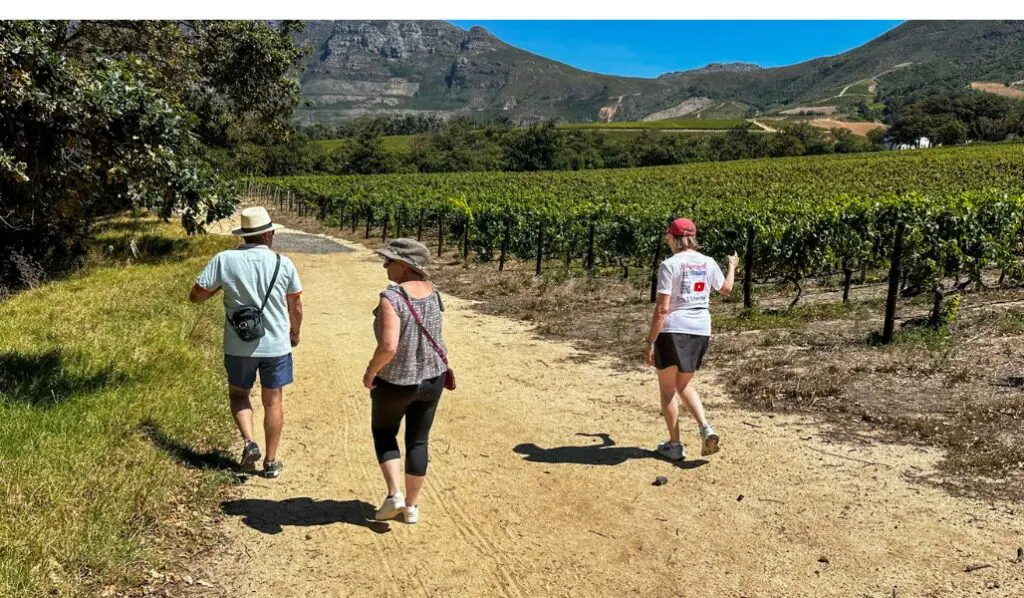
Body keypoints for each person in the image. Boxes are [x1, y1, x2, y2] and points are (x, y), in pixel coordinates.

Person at [189, 206, 303, 478]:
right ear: (269, 235)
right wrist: (295, 332)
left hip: (238, 346)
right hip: (276, 344)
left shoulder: (224, 260)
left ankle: (249, 442)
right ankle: (271, 462)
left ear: (244, 235)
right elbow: (295, 304)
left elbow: (196, 296)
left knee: (239, 394)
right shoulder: (283, 263)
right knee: (273, 402)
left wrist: (221, 287)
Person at [364, 238, 448, 525]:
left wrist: (371, 371)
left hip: (397, 381)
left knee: (384, 432)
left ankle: (394, 495)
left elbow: (388, 346)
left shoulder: (392, 298)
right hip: (433, 378)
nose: (385, 265)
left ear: (405, 266)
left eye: (389, 260)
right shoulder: (434, 294)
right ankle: (411, 507)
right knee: (418, 440)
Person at [643, 217, 737, 461]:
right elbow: (726, 289)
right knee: (684, 384)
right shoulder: (708, 262)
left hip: (672, 329)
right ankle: (706, 428)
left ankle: (674, 445)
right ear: (692, 237)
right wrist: (733, 266)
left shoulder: (669, 265)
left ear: (673, 238)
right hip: (700, 328)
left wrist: (650, 341)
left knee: (667, 390)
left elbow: (662, 309)